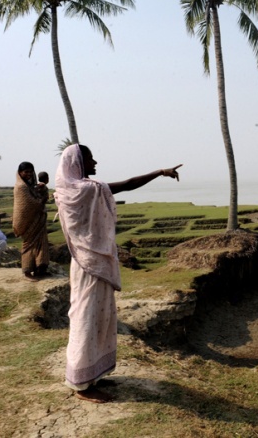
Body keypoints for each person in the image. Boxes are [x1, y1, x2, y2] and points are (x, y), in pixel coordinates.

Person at [55, 144, 181, 403]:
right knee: (87, 319)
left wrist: (159, 172)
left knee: (96, 317)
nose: (95, 162)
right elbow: (126, 185)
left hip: (85, 263)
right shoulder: (88, 190)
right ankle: (82, 384)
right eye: (90, 158)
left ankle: (93, 373)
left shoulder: (66, 191)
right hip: (91, 265)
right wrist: (159, 172)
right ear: (78, 162)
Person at [13, 161, 49, 281]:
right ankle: (27, 272)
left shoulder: (29, 185)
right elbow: (28, 203)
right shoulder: (21, 186)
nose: (28, 174)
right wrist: (41, 201)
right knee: (28, 245)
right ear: (20, 173)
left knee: (41, 243)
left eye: (30, 171)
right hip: (28, 221)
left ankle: (40, 269)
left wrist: (41, 190)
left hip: (37, 219)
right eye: (26, 172)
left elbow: (37, 196)